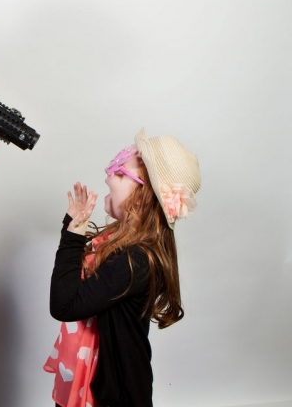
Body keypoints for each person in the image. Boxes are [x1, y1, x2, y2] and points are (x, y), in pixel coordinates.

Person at [43, 128, 201, 407]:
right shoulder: (117, 242)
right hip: (92, 383)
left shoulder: (135, 259)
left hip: (115, 396)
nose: (108, 175)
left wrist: (73, 235)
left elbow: (64, 305)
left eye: (120, 170)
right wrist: (73, 230)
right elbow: (74, 289)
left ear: (141, 198)